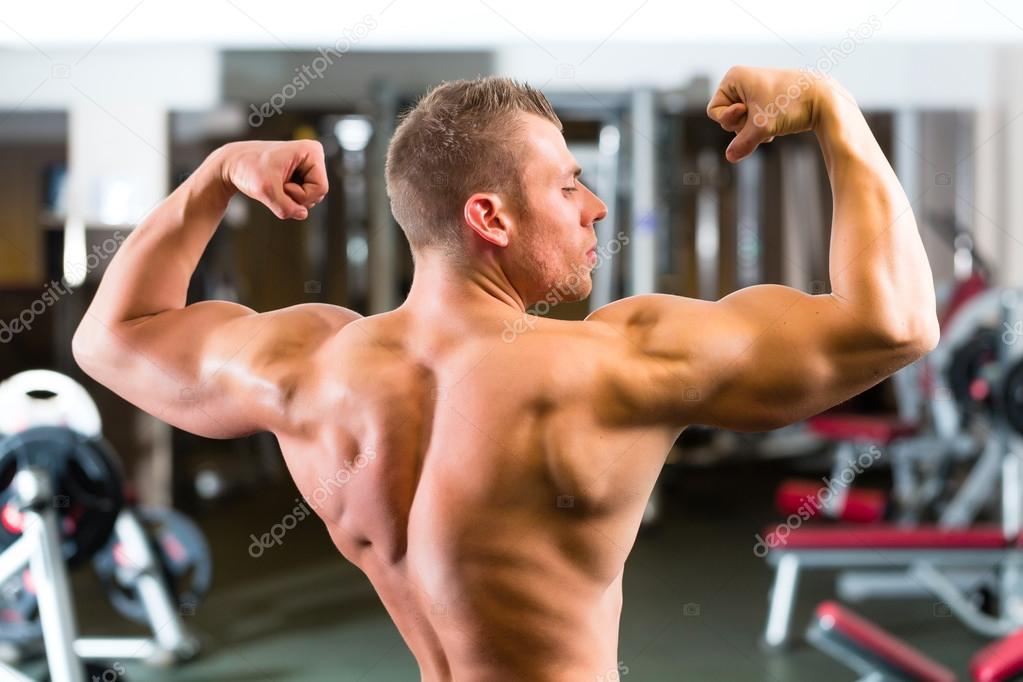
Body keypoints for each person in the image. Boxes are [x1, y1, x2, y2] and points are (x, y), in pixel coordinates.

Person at [73, 66, 939, 680]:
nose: (595, 205)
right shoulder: (615, 362)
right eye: (568, 187)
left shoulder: (308, 365)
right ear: (488, 216)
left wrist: (216, 177)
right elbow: (893, 321)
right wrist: (833, 109)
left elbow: (113, 338)